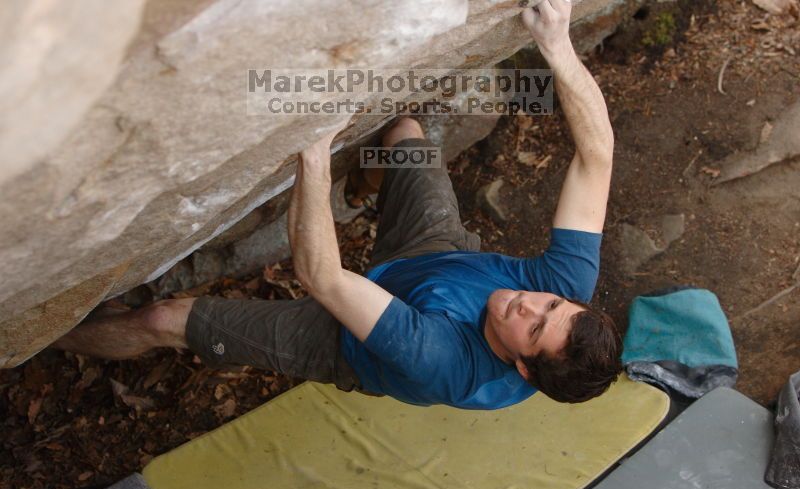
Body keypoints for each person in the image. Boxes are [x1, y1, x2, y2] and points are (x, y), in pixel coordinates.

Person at [53, 0, 622, 409]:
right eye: (549, 305)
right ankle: (366, 192)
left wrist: (316, 147)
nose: (527, 304)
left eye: (530, 328)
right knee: (403, 134)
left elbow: (321, 276)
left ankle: (54, 339)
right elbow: (597, 155)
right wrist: (556, 43)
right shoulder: (567, 286)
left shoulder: (446, 365)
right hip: (434, 255)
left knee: (162, 319)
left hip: (347, 339)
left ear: (521, 366)